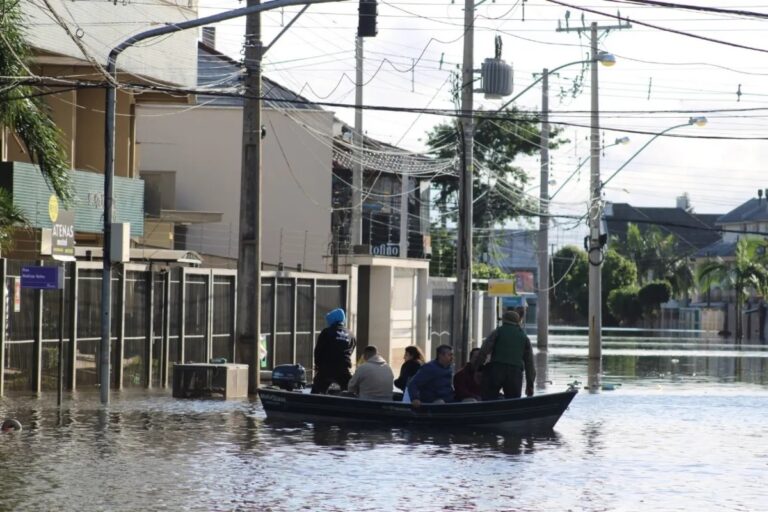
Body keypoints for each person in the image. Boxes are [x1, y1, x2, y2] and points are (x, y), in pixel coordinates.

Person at [474, 310, 535, 400]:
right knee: (513, 402)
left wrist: (477, 369)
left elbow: (484, 351)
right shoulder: (524, 337)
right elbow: (529, 363)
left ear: (504, 320)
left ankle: (488, 412)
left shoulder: (497, 332)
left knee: (489, 400)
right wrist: (530, 385)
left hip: (496, 370)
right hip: (515, 373)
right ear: (518, 321)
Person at [311, 308, 356, 394]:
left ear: (332, 320)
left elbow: (318, 351)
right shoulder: (351, 335)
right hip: (344, 368)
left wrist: (318, 365)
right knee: (349, 392)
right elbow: (351, 350)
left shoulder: (326, 332)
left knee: (316, 394)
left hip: (326, 368)